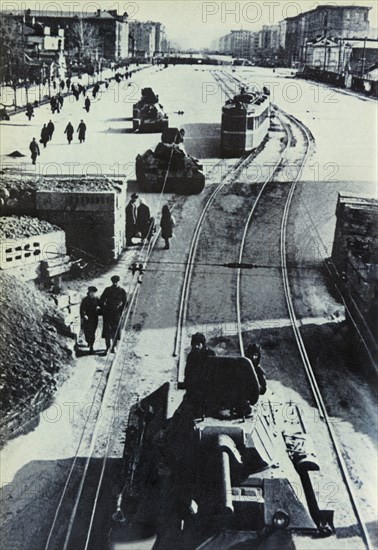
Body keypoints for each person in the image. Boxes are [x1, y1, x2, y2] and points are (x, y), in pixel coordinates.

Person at [100, 276, 127, 353]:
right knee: (107, 330)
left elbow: (125, 303)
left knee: (116, 330)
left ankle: (114, 347)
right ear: (112, 282)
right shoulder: (107, 290)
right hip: (108, 313)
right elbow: (102, 300)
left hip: (117, 313)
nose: (115, 283)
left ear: (119, 281)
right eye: (114, 282)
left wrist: (121, 312)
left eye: (116, 282)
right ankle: (107, 347)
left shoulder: (122, 291)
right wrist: (104, 309)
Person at [80, 286, 101, 353]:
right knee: (87, 332)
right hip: (87, 318)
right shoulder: (85, 300)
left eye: (93, 292)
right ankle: (88, 341)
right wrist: (84, 315)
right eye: (91, 292)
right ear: (88, 292)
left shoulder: (96, 299)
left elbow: (102, 306)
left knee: (92, 332)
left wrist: (100, 310)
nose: (92, 294)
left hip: (94, 318)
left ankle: (91, 346)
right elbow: (82, 308)